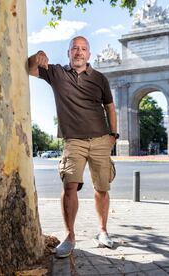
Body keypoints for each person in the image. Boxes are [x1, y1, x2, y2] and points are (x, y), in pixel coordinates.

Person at [28, 36, 119, 258]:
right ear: (69, 53)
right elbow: (30, 69)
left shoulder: (99, 78)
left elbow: (110, 107)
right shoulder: (57, 73)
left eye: (83, 49)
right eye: (75, 49)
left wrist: (113, 135)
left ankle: (103, 231)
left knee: (102, 189)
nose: (79, 52)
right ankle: (69, 237)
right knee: (69, 186)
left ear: (89, 54)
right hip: (73, 141)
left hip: (100, 140)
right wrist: (36, 55)